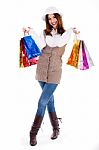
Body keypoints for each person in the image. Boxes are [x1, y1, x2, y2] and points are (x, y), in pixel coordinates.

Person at [23, 6, 79, 146]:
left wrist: (76, 33)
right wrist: (29, 32)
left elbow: (62, 43)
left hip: (55, 72)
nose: (52, 20)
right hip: (41, 70)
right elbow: (40, 44)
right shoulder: (44, 33)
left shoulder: (65, 33)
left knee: (42, 101)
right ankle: (56, 128)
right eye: (49, 18)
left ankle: (33, 133)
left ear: (58, 18)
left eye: (54, 17)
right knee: (49, 101)